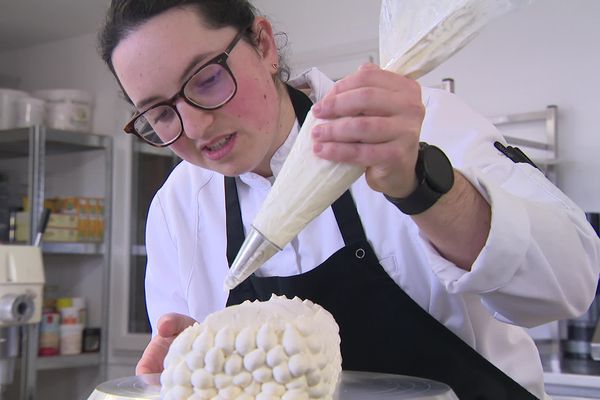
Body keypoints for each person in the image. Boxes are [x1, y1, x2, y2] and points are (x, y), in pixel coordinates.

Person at [99, 1, 600, 399]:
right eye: (161, 114)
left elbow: (568, 283)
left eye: (207, 79)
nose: (196, 126)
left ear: (264, 44)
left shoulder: (420, 124)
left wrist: (420, 185)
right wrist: (179, 382)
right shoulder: (177, 207)